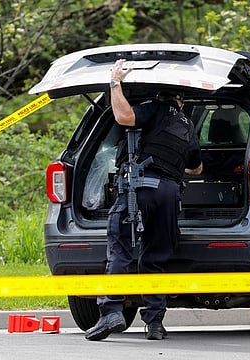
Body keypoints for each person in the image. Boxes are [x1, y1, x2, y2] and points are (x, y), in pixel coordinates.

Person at [85, 59, 203, 341]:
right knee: (155, 259)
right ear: (182, 103)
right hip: (169, 194)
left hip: (139, 189)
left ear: (161, 97)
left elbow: (124, 117)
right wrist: (171, 167)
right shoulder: (188, 127)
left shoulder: (154, 108)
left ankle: (111, 311)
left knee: (121, 249)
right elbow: (197, 169)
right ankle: (155, 323)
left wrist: (115, 83)